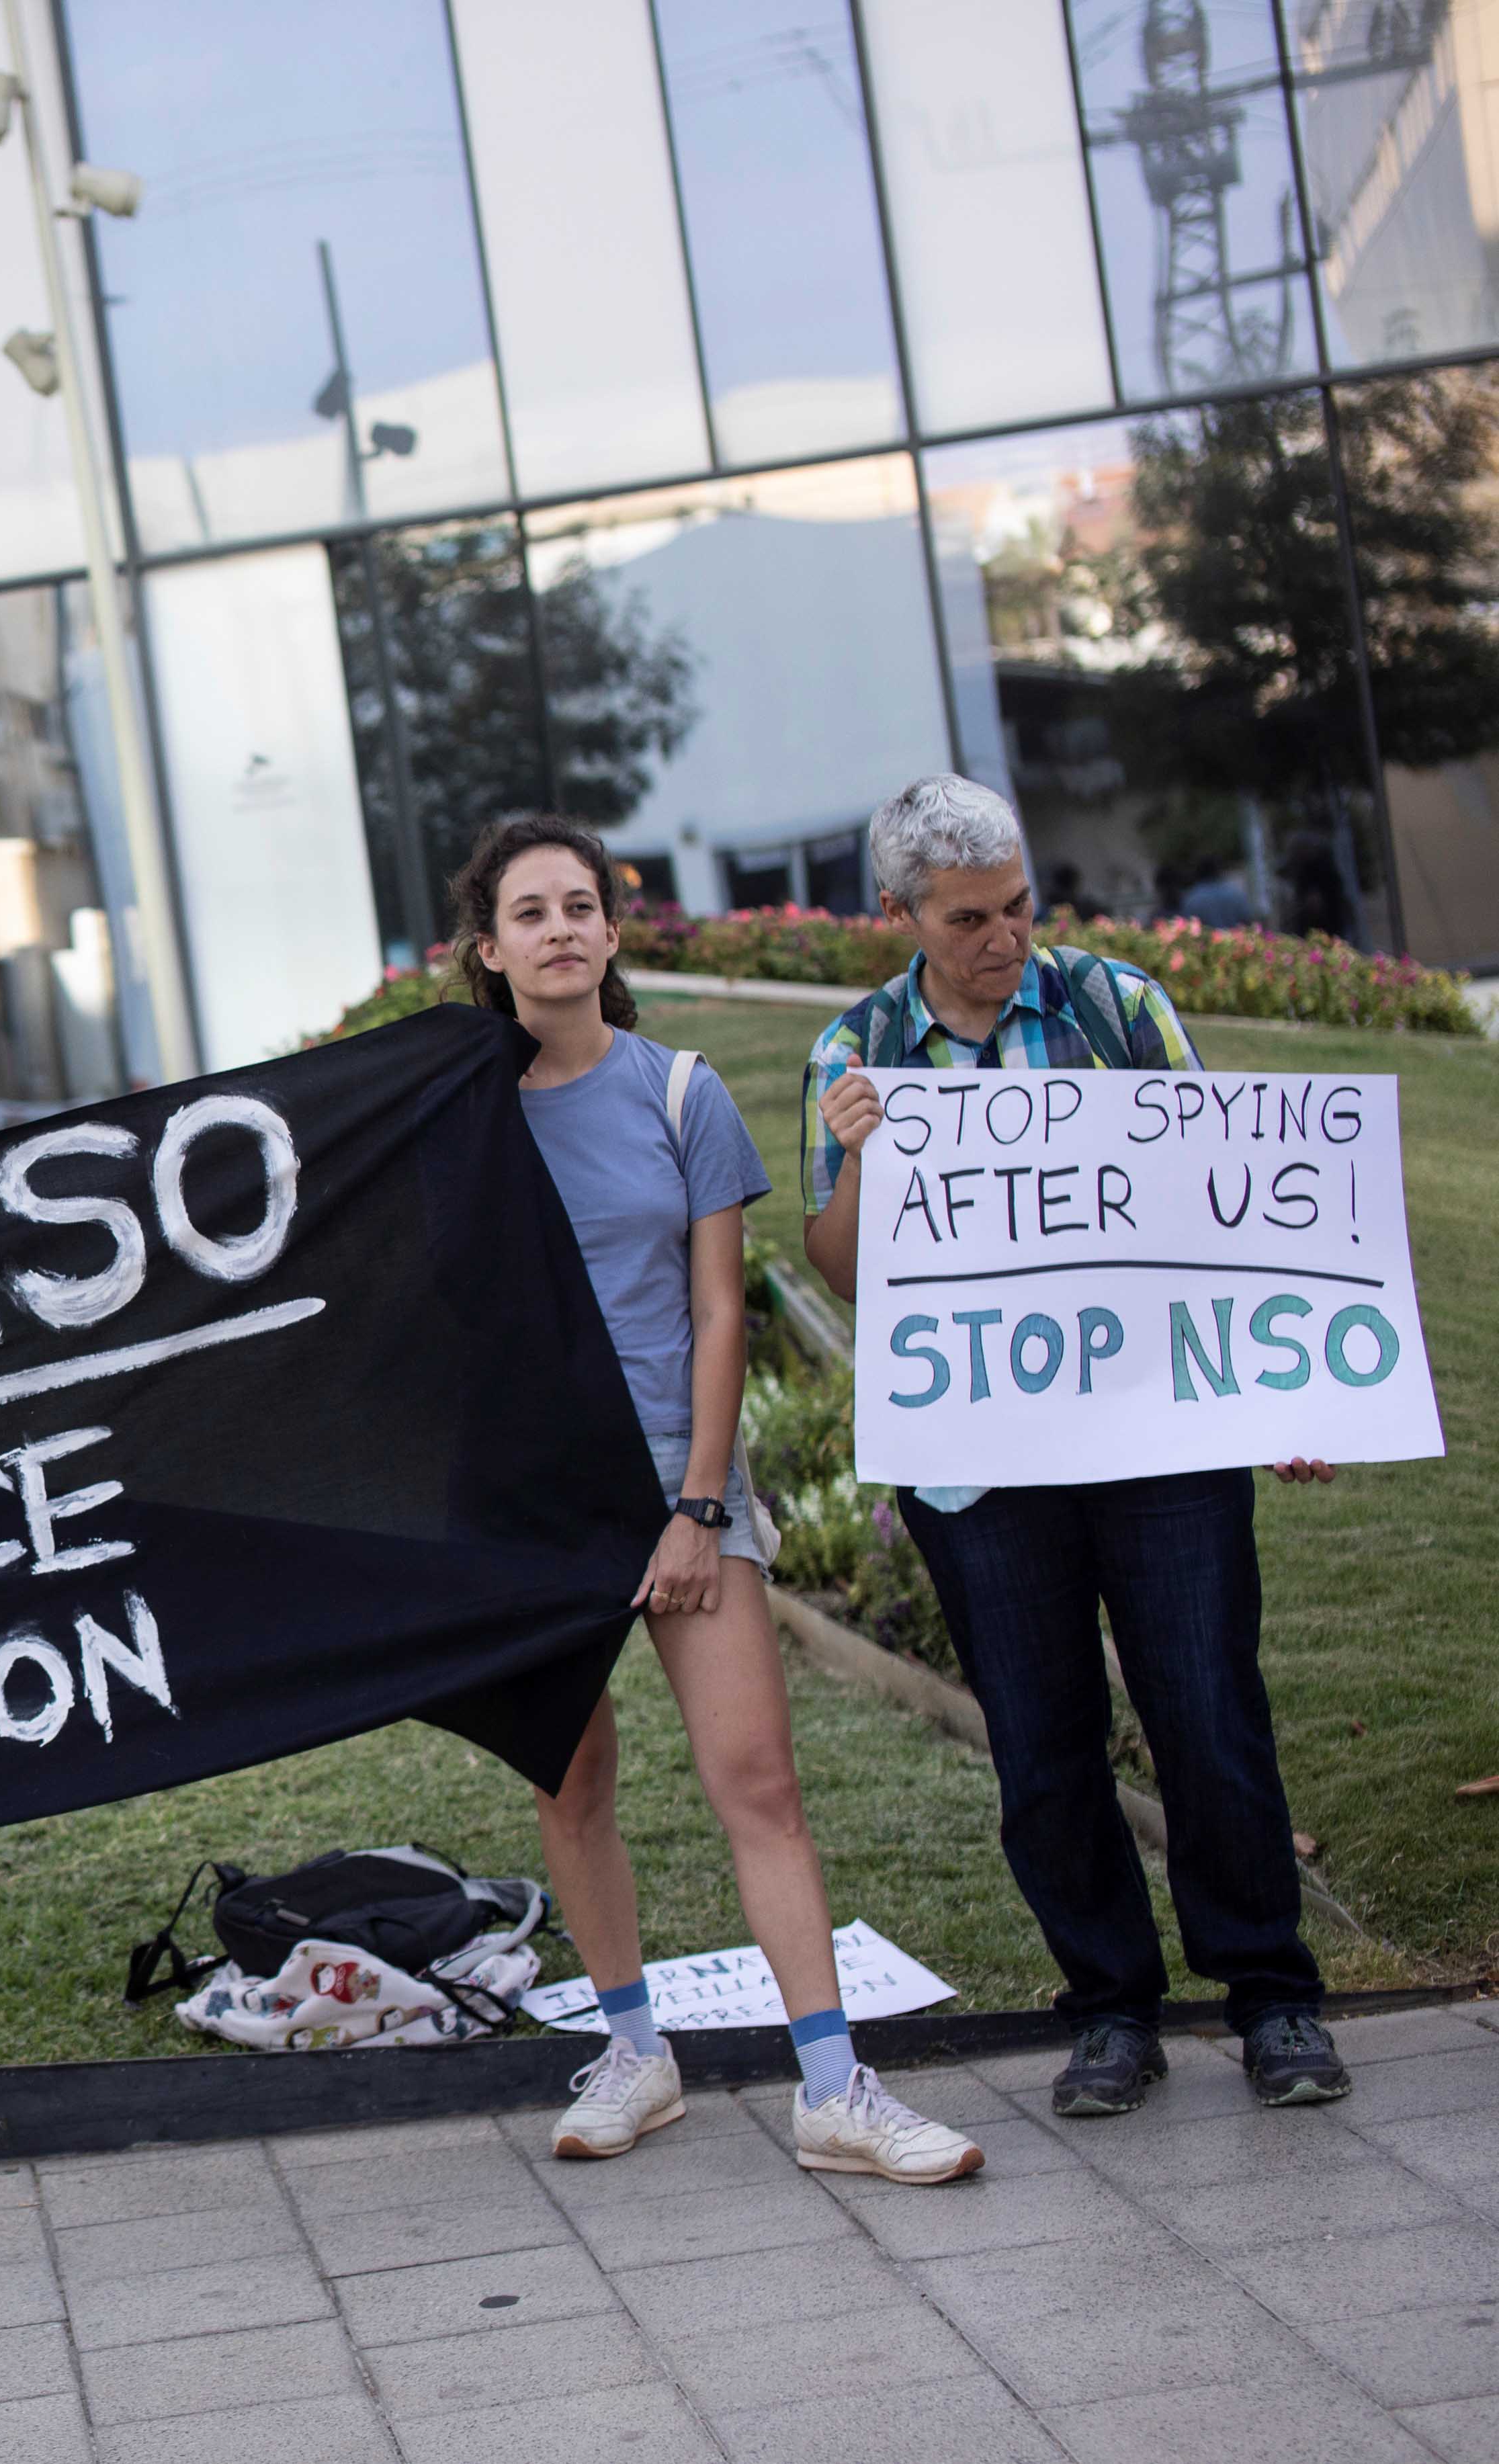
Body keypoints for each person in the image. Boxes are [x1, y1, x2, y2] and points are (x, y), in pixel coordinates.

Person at [803, 775, 1348, 2117]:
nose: (1003, 938)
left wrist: (1272, 1394)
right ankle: (1109, 2010)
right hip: (981, 1468)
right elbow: (845, 1271)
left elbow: (1224, 1201)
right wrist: (862, 1159)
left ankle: (1270, 1996)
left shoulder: (1116, 1009)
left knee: (1207, 1715)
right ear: (900, 913)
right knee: (1043, 1746)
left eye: (1017, 907)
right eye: (968, 918)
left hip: (1155, 1438)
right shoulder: (856, 1051)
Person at [454, 816, 982, 2186]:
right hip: (535, 1505)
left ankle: (834, 2088)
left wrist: (696, 1507)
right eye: (530, 912)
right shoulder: (457, 1117)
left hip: (678, 1485)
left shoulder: (681, 1093)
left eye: (580, 905)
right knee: (570, 1782)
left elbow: (716, 1313)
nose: (560, 930)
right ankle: (634, 2051)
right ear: (487, 948)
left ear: (611, 931)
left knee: (759, 1781)